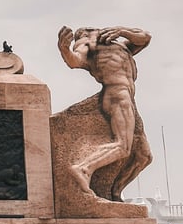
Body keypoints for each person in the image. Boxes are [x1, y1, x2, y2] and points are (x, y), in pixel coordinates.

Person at [57, 26, 152, 200]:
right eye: (90, 30)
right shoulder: (87, 43)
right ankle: (83, 168)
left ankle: (114, 194)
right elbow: (75, 60)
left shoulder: (119, 46)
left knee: (143, 156)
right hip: (116, 95)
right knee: (123, 147)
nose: (95, 30)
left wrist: (122, 31)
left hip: (129, 100)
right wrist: (64, 49)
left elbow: (145, 38)